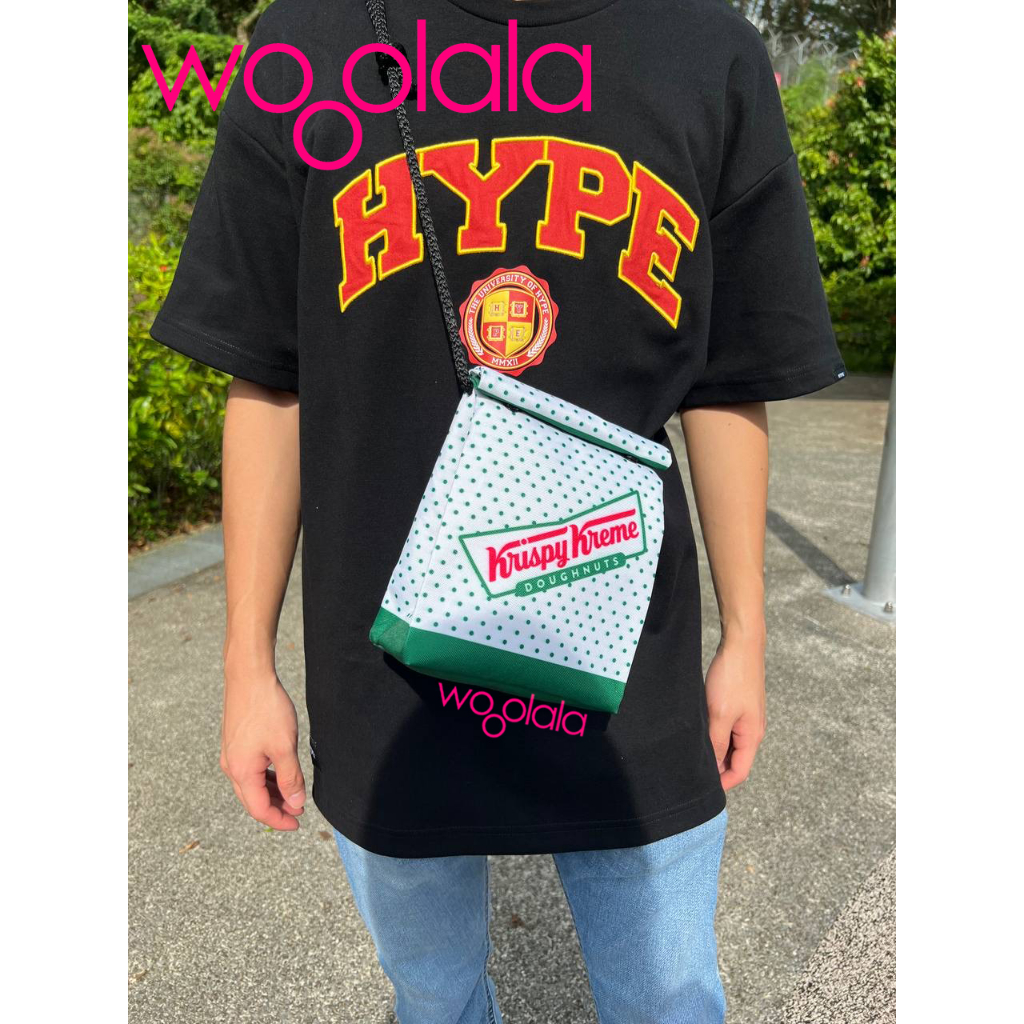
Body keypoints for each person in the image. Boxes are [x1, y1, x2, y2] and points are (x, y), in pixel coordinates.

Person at [149, 1, 846, 1020]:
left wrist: (747, 635)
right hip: (385, 671)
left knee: (668, 997)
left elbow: (729, 376)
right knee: (434, 1000)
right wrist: (244, 668)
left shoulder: (705, 50)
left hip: (625, 660)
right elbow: (268, 374)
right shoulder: (309, 44)